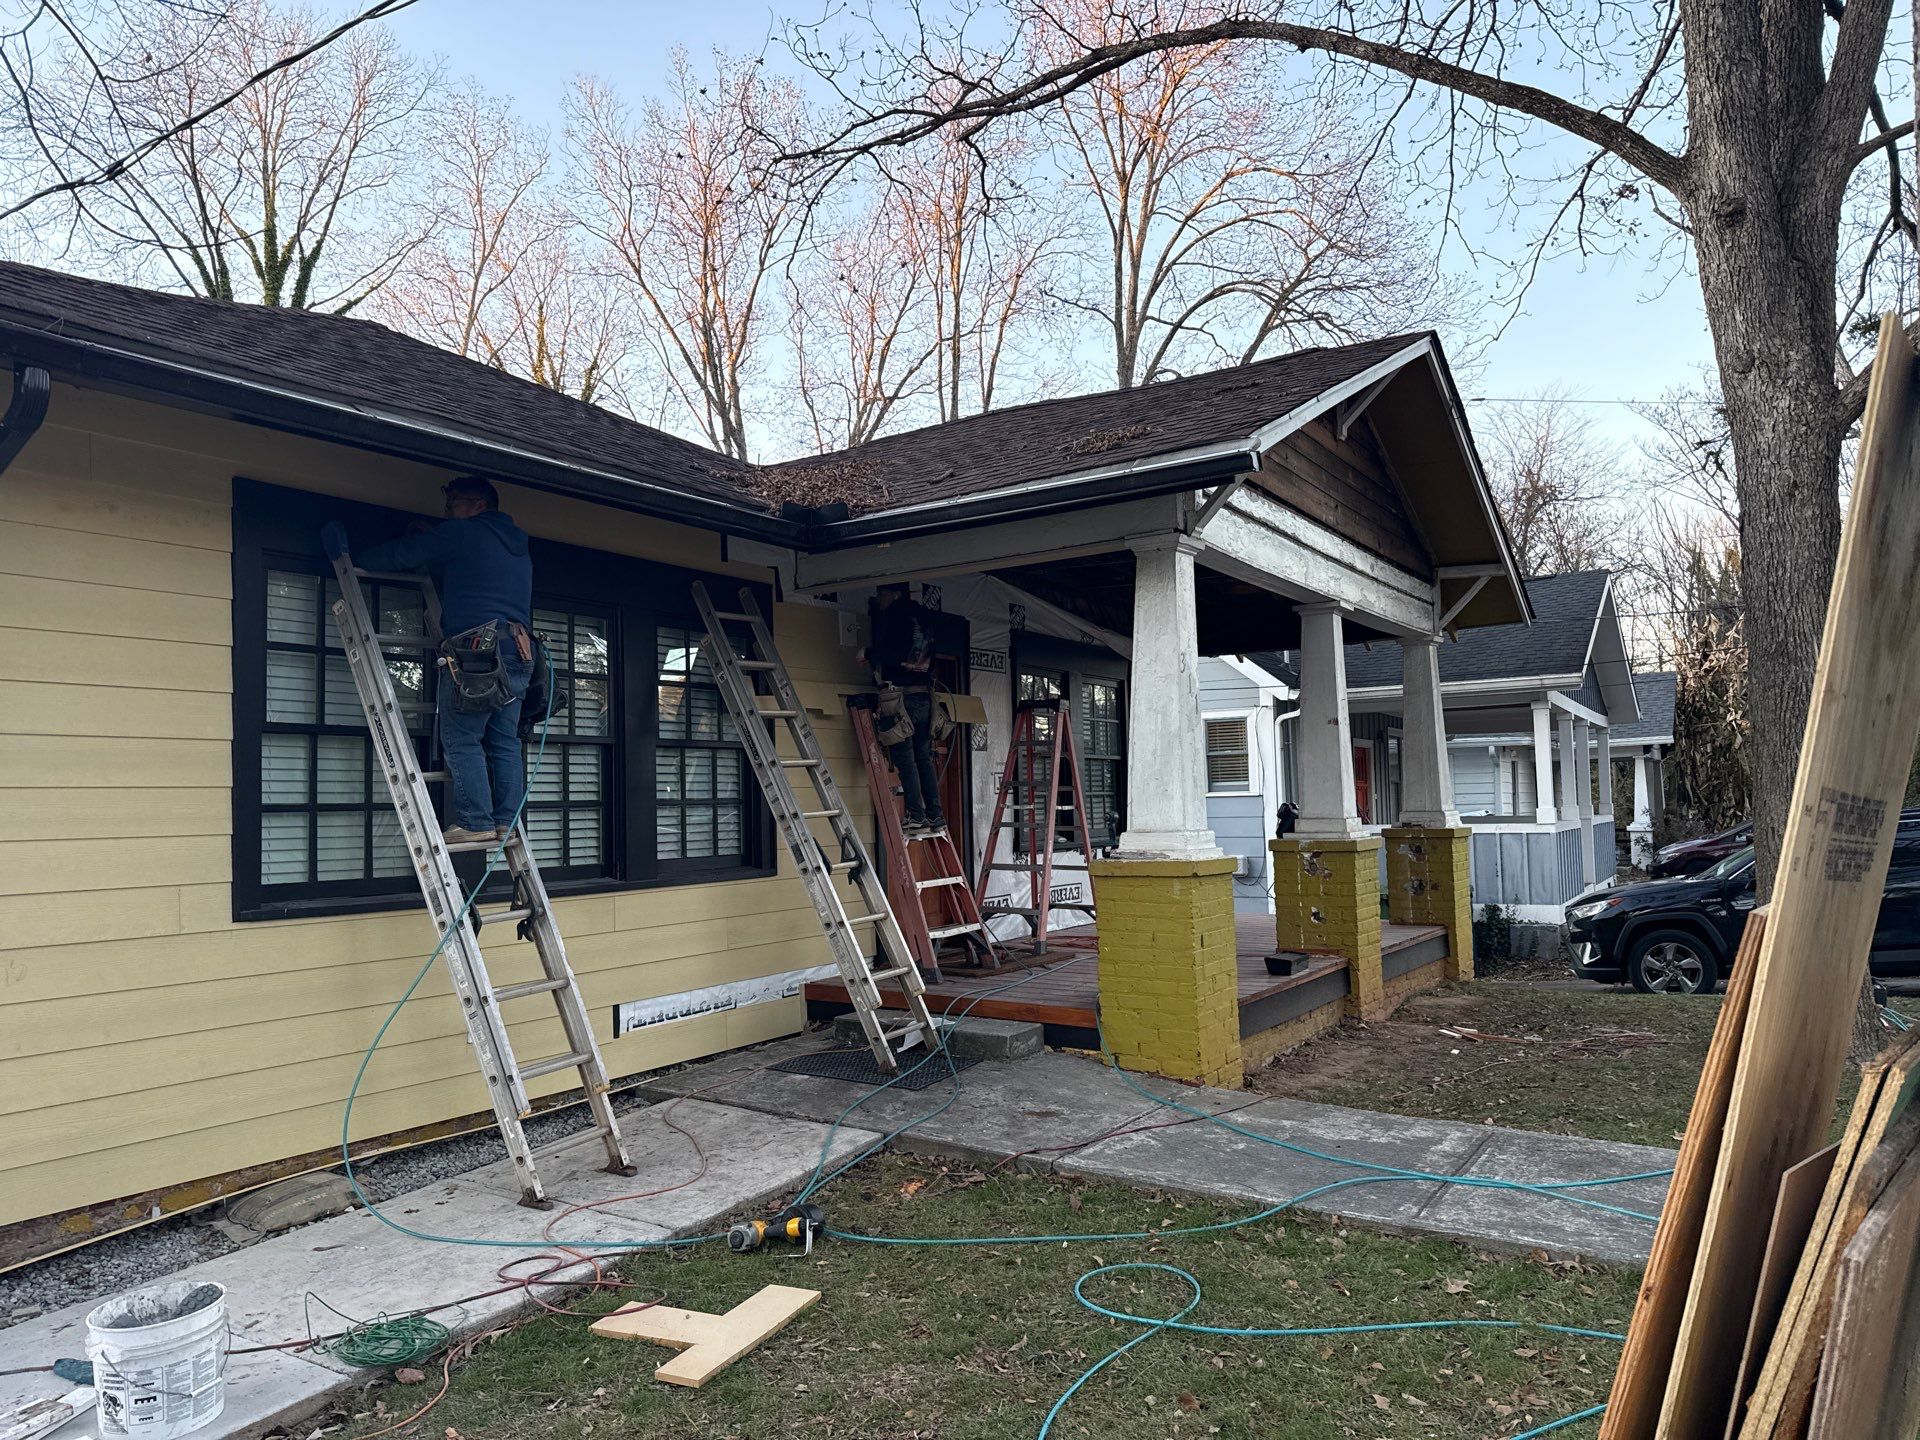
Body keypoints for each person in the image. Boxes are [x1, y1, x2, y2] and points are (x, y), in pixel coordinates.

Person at [325, 476, 534, 846]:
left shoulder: (463, 534)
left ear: (476, 506)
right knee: (503, 741)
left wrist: (357, 560)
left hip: (477, 652)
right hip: (519, 649)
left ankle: (474, 822)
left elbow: (405, 555)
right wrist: (437, 538)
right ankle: (506, 822)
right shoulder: (516, 546)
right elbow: (470, 571)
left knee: (462, 736)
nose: (448, 512)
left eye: (452, 505)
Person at [861, 581, 945, 838]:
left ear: (895, 595)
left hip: (900, 699)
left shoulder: (895, 615)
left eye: (881, 594)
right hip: (923, 697)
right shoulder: (924, 617)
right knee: (922, 757)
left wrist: (868, 652)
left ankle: (916, 816)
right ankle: (935, 815)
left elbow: (895, 652)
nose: (879, 600)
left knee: (905, 758)